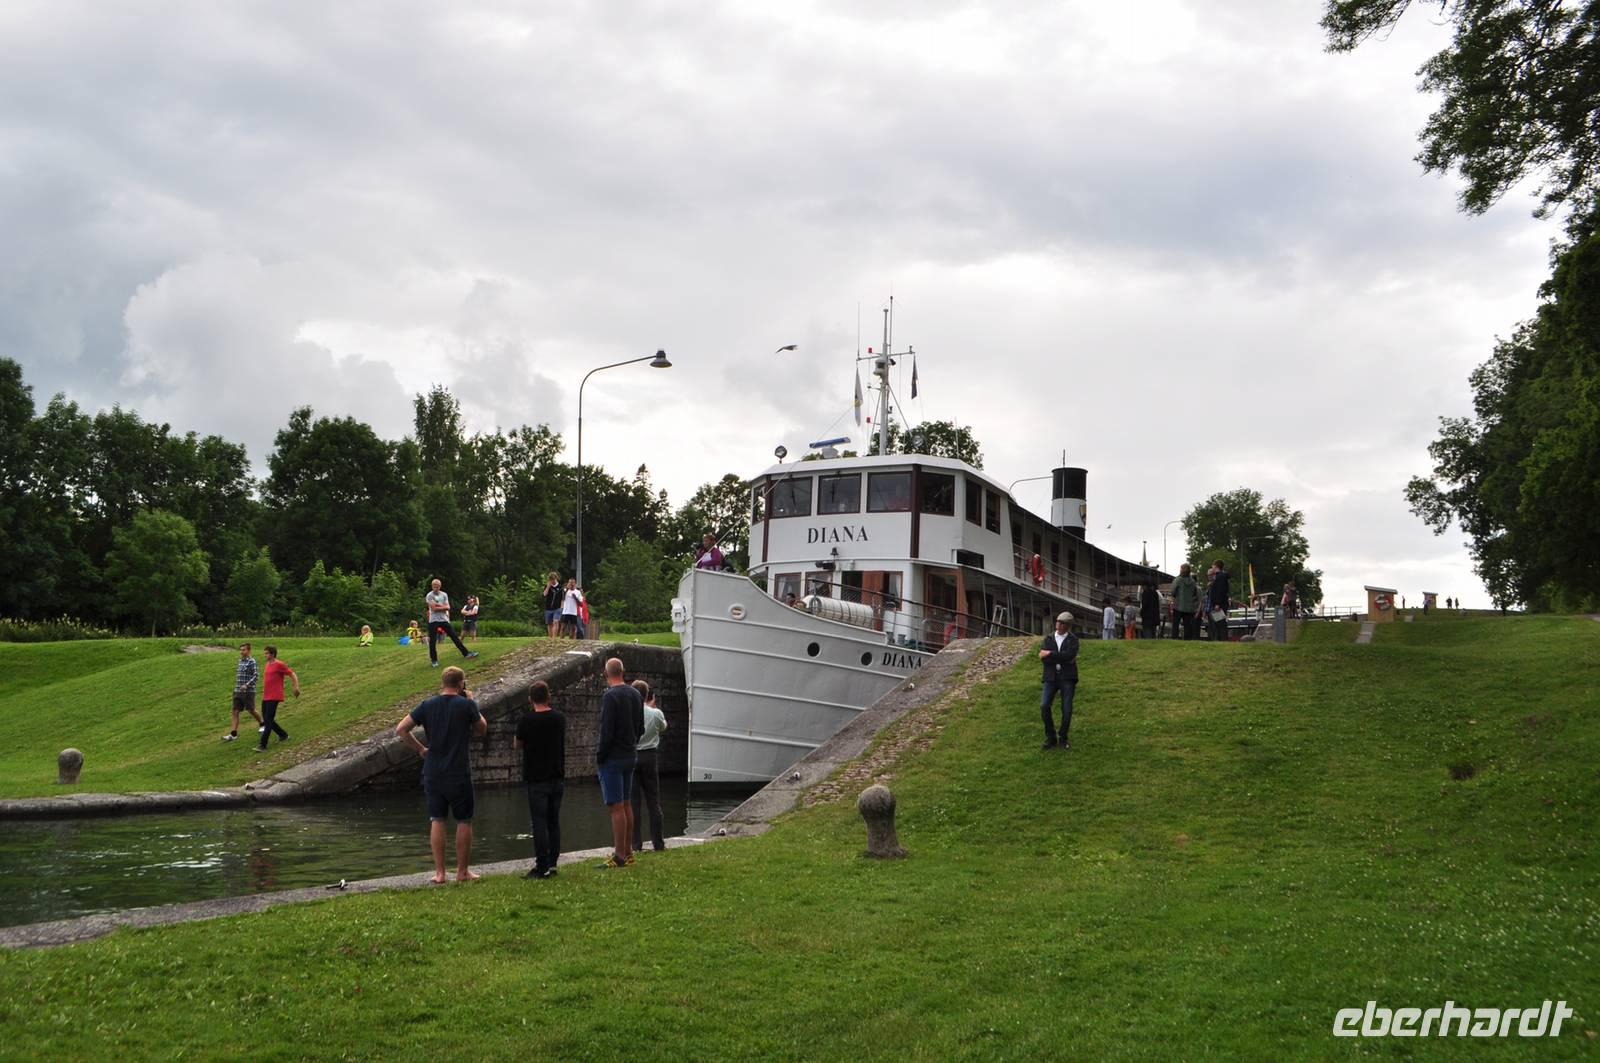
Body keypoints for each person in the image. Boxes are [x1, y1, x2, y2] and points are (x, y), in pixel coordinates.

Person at [396, 666, 487, 883]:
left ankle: (440, 873)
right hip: (458, 771)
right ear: (461, 684)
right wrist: (472, 701)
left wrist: (420, 749)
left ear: (443, 682)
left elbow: (401, 729)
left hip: (433, 771)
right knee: (464, 820)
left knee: (437, 819)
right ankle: (462, 872)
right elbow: (482, 729)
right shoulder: (466, 705)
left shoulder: (427, 705)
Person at [513, 680, 565, 879]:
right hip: (557, 776)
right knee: (554, 821)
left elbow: (517, 744)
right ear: (548, 696)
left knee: (539, 822)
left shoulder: (526, 720)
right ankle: (553, 863)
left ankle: (541, 865)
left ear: (530, 699)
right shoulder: (559, 718)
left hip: (536, 778)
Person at [594, 657, 643, 869]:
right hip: (630, 754)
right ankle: (628, 851)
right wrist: (631, 743)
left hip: (613, 757)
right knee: (626, 803)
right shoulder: (635, 694)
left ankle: (619, 855)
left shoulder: (610, 696)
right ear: (622, 672)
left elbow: (607, 730)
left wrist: (600, 755)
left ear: (606, 674)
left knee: (615, 807)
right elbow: (640, 727)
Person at [631, 679, 668, 853]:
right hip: (650, 756)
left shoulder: (628, 714)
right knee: (653, 802)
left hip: (633, 756)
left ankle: (636, 844)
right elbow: (663, 727)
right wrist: (652, 708)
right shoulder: (656, 713)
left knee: (634, 804)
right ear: (647, 696)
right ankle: (658, 843)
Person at [1038, 611, 1079, 750]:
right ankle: (1051, 738)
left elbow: (1069, 655)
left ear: (1068, 626)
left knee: (1067, 709)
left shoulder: (1073, 640)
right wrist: (1060, 657)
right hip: (1050, 676)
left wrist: (1050, 653)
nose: (1059, 624)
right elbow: (1044, 658)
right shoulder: (1048, 638)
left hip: (1067, 677)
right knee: (1044, 705)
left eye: (1062, 623)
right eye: (1058, 621)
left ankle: (1063, 737)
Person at [424, 578, 479, 668]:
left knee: (454, 637)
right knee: (433, 641)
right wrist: (443, 606)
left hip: (444, 620)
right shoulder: (429, 595)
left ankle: (466, 653)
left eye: (437, 587)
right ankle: (434, 660)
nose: (436, 588)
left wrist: (439, 606)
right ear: (432, 586)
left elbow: (448, 607)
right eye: (434, 586)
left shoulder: (444, 594)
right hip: (433, 620)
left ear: (440, 586)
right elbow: (433, 608)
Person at [256, 644, 300, 750]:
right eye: (265, 653)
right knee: (268, 719)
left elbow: (292, 674)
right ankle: (283, 735)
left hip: (274, 696)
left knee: (268, 720)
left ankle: (262, 745)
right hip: (266, 696)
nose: (265, 655)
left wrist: (296, 687)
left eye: (267, 653)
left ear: (272, 654)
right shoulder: (267, 664)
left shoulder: (279, 664)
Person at [223, 642, 265, 741]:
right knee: (235, 711)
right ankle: (233, 734)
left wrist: (247, 685)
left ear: (249, 650)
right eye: (240, 650)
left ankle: (263, 724)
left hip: (248, 691)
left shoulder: (252, 661)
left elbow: (256, 676)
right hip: (237, 690)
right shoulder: (240, 661)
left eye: (243, 650)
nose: (241, 652)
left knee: (251, 709)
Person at [1170, 564, 1201, 640]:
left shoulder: (1178, 580)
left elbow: (1172, 591)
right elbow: (1194, 593)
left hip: (1178, 605)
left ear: (1182, 570)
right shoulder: (1193, 581)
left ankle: (1175, 638)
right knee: (1187, 626)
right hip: (1189, 607)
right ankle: (1187, 639)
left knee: (1176, 624)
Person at [1207, 560, 1231, 642]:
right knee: (1218, 623)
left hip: (1219, 604)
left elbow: (1220, 591)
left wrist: (1217, 603)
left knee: (1221, 623)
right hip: (1218, 603)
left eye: (1213, 566)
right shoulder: (1219, 576)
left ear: (1216, 566)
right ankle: (1220, 639)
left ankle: (1223, 640)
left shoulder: (1220, 577)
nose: (1212, 567)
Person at [543, 572, 564, 638]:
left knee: (555, 621)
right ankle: (550, 638)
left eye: (553, 579)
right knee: (549, 624)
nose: (552, 581)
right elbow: (544, 594)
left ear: (556, 578)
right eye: (551, 579)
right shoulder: (547, 586)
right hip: (548, 608)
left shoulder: (560, 587)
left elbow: (562, 598)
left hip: (557, 608)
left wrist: (561, 607)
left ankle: (554, 638)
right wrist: (548, 587)